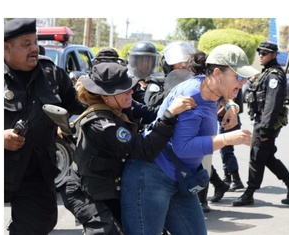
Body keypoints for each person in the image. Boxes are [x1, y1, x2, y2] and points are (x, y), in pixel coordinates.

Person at [120, 44, 255, 235]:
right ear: (217, 73)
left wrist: (231, 105)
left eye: (245, 77)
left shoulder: (209, 87)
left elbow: (216, 94)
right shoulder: (192, 95)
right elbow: (182, 147)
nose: (243, 82)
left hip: (180, 178)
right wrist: (226, 139)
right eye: (239, 77)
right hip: (151, 176)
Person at [60, 62, 196, 235]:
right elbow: (146, 149)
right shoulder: (103, 124)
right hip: (86, 193)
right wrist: (169, 116)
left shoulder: (122, 106)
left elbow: (153, 113)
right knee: (107, 232)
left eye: (130, 87)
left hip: (110, 189)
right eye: (124, 90)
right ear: (106, 96)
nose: (131, 92)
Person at [4, 18, 85, 234]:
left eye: (35, 41)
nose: (34, 48)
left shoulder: (52, 74)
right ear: (5, 47)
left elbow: (77, 107)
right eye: (26, 43)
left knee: (38, 226)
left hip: (36, 173)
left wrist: (99, 94)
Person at [232, 41, 289, 207]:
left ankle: (249, 193)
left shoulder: (273, 76)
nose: (260, 56)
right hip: (262, 121)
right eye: (260, 53)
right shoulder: (267, 73)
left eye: (264, 53)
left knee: (257, 157)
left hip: (266, 123)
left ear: (273, 55)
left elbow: (271, 105)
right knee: (267, 157)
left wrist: (264, 130)